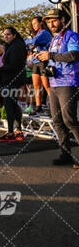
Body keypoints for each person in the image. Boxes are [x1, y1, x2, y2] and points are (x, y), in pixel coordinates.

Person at [37, 9, 79, 166]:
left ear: (63, 19)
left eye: (54, 20)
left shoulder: (72, 36)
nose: (51, 24)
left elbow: (74, 55)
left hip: (69, 83)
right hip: (54, 83)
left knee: (70, 120)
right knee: (57, 121)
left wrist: (51, 56)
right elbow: (52, 59)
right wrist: (41, 58)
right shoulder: (54, 40)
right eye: (49, 21)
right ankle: (66, 154)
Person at [0, 27, 27, 141]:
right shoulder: (15, 45)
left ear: (14, 35)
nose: (5, 37)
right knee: (14, 106)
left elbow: (14, 65)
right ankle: (18, 131)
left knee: (9, 106)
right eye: (4, 35)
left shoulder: (16, 47)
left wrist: (0, 69)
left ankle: (10, 133)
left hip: (12, 81)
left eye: (8, 34)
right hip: (14, 80)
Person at [26, 16, 52, 115]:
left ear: (41, 23)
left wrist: (27, 42)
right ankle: (38, 106)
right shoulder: (36, 34)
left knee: (46, 85)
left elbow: (33, 42)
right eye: (32, 24)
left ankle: (54, 105)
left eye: (35, 23)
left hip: (43, 61)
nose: (34, 26)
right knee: (36, 86)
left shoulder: (44, 33)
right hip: (35, 62)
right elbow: (31, 45)